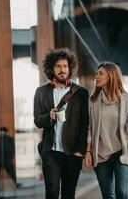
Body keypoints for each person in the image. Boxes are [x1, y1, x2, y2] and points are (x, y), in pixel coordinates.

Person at [34, 48, 89, 199]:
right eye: (58, 66)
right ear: (52, 69)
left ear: (70, 68)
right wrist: (49, 116)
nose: (62, 69)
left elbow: (85, 124)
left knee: (68, 194)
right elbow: (38, 121)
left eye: (65, 66)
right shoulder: (41, 92)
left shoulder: (81, 93)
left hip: (73, 152)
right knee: (51, 193)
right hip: (50, 152)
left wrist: (80, 150)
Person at [84, 62, 128, 199]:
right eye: (97, 74)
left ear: (111, 76)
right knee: (108, 195)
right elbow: (90, 129)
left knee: (121, 192)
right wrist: (88, 152)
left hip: (122, 152)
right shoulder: (92, 102)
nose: (97, 77)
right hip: (101, 155)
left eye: (101, 74)